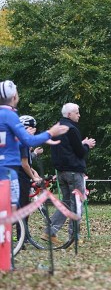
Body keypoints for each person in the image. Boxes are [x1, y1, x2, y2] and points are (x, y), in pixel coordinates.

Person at [0, 80, 68, 210]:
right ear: (14, 96)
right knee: (12, 210)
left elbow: (13, 141)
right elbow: (28, 141)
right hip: (8, 170)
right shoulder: (10, 114)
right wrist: (50, 133)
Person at [46, 103, 96, 244]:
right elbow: (79, 152)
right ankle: (74, 236)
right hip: (74, 172)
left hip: (61, 172)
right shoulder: (72, 129)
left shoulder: (57, 128)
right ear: (69, 114)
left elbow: (66, 148)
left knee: (66, 203)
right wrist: (86, 145)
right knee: (77, 204)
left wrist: (81, 143)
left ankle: (50, 231)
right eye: (77, 112)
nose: (79, 115)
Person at [17, 115, 44, 208]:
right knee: (23, 206)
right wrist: (33, 177)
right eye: (33, 128)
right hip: (21, 178)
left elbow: (27, 164)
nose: (35, 131)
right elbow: (24, 164)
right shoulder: (23, 142)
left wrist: (35, 173)